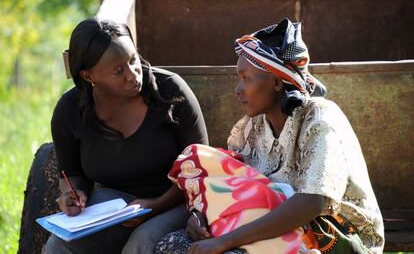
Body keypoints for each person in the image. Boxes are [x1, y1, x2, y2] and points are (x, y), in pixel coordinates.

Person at [156, 18, 384, 254]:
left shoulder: (320, 118)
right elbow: (230, 187)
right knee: (172, 246)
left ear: (276, 81)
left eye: (246, 78)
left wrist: (225, 241)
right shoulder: (250, 127)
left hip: (332, 238)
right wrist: (199, 216)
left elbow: (312, 203)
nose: (237, 89)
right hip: (274, 229)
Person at [43, 17, 208, 254]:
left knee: (140, 244)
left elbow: (200, 168)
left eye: (133, 60)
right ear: (89, 76)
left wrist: (155, 205)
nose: (132, 75)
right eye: (118, 71)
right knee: (59, 246)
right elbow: (72, 174)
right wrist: (73, 194)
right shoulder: (69, 111)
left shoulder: (171, 91)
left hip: (179, 200)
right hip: (115, 207)